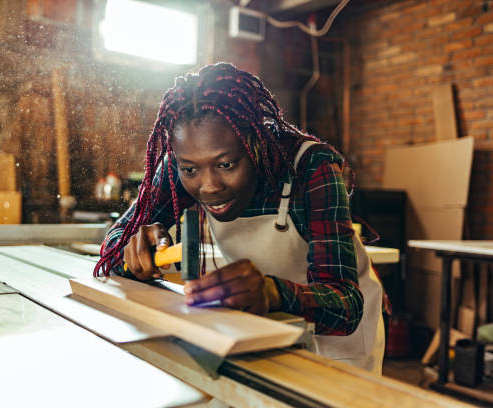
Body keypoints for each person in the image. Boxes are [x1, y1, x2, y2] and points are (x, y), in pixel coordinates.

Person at [94, 62, 386, 373]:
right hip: (254, 333)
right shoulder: (177, 167)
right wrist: (136, 249)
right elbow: (113, 246)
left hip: (335, 348)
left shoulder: (311, 167)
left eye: (226, 165)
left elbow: (346, 305)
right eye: (191, 169)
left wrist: (273, 292)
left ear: (256, 144)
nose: (208, 186)